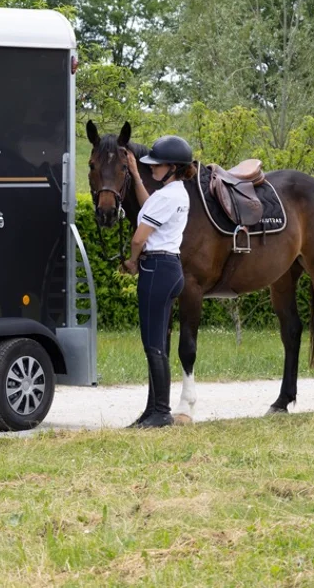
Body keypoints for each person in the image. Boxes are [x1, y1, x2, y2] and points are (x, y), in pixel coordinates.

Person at [119, 135, 196, 428]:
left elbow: (140, 236)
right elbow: (148, 207)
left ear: (173, 167)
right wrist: (137, 176)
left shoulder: (168, 196)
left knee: (153, 343)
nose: (153, 168)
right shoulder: (176, 194)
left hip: (155, 269)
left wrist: (132, 261)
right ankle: (153, 411)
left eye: (158, 165)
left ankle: (161, 412)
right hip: (170, 268)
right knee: (156, 343)